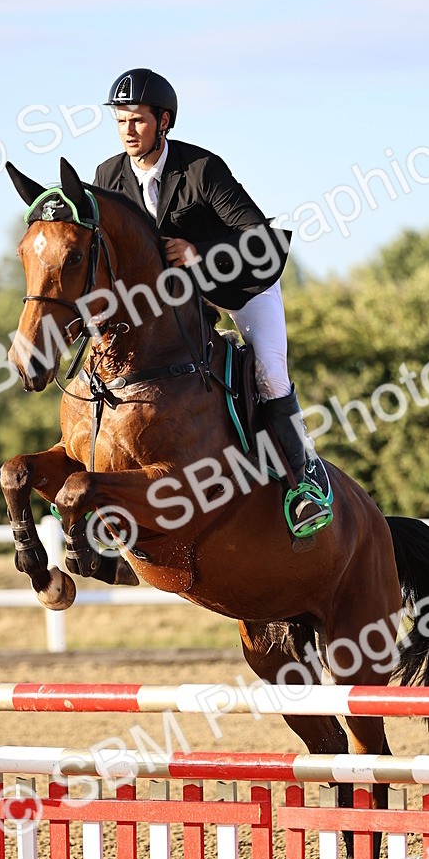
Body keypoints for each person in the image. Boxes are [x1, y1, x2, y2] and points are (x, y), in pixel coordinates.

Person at [93, 67, 333, 546]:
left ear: (164, 121)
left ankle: (307, 484)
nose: (128, 131)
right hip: (167, 304)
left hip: (238, 288)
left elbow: (260, 240)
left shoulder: (202, 169)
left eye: (137, 121)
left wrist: (201, 254)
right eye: (121, 121)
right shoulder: (107, 176)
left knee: (269, 373)